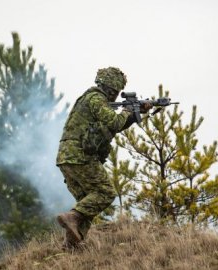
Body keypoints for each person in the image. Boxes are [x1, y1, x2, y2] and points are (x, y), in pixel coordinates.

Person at [56, 67, 150, 249]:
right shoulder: (96, 99)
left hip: (66, 158)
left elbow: (112, 127)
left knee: (88, 202)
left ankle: (72, 245)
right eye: (115, 92)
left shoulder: (90, 100)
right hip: (79, 156)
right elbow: (115, 122)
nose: (115, 96)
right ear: (112, 88)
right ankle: (71, 217)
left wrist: (133, 114)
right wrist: (127, 110)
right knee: (105, 193)